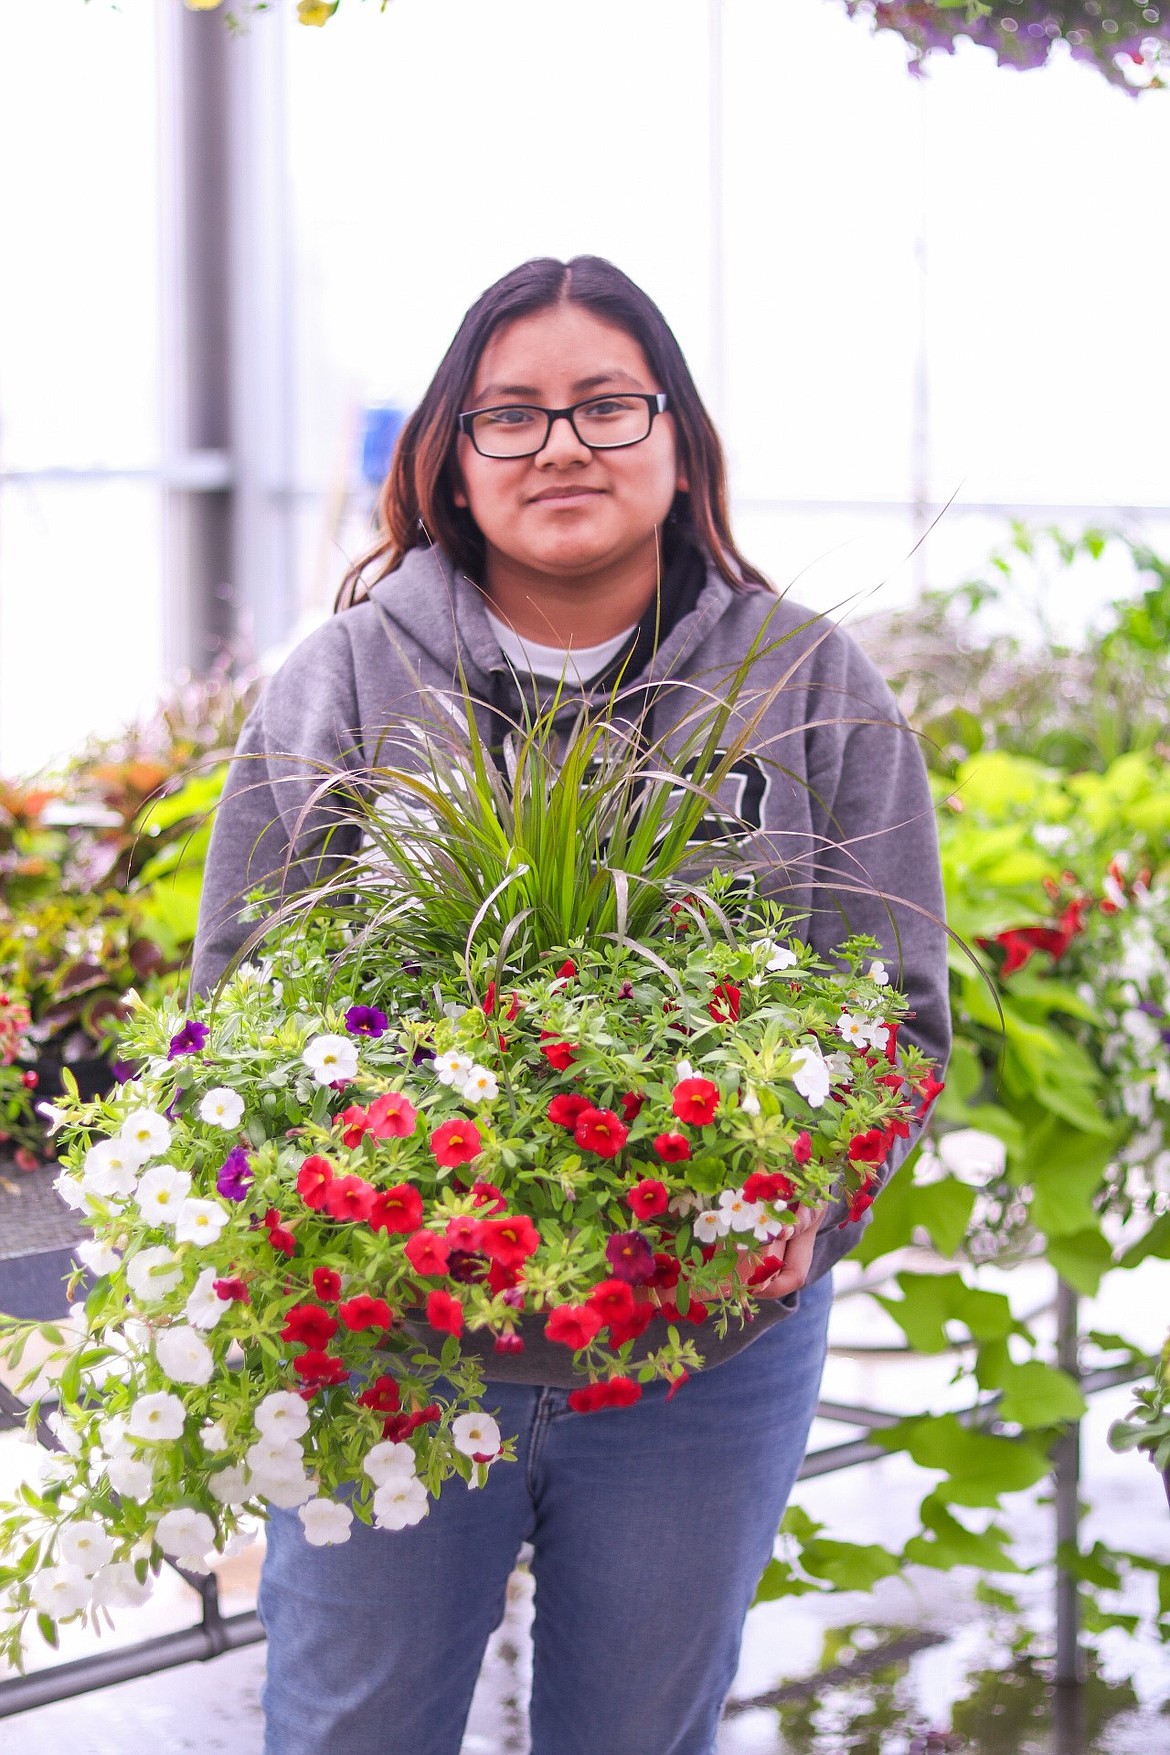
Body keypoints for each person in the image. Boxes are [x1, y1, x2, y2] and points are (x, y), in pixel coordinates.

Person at [192, 255, 950, 1755]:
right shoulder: (343, 684)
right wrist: (325, 1190)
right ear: (450, 464)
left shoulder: (805, 684)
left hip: (700, 1349)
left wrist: (803, 1199)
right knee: (351, 1727)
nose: (561, 447)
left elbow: (897, 1020)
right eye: (511, 416)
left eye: (607, 405)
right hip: (390, 1333)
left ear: (678, 446)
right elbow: (239, 1002)